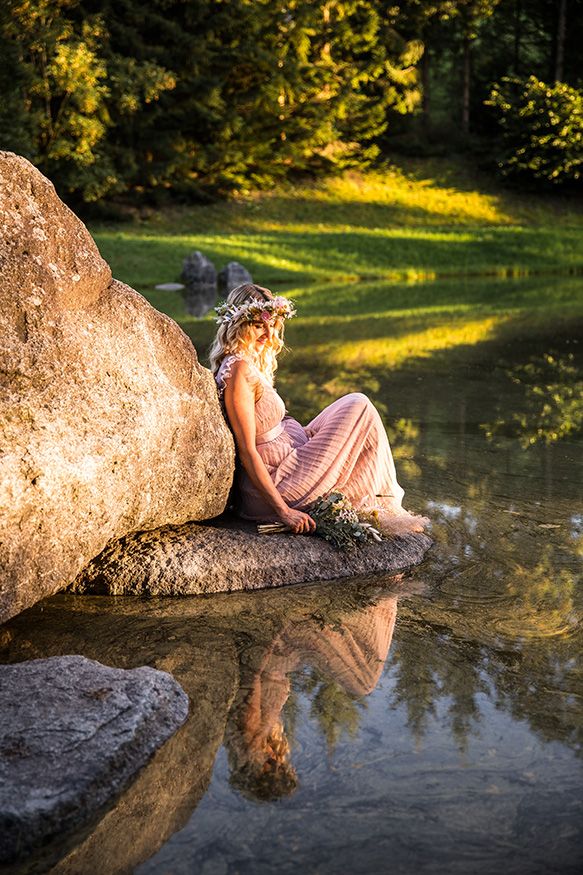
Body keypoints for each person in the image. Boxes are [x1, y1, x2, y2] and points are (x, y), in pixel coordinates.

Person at [210, 283, 427, 535]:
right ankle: (378, 501)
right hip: (279, 482)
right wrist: (284, 512)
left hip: (290, 459)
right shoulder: (238, 372)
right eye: (259, 325)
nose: (269, 335)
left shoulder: (245, 364)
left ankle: (374, 500)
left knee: (353, 408)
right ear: (239, 324)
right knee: (359, 406)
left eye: (272, 326)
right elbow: (247, 451)